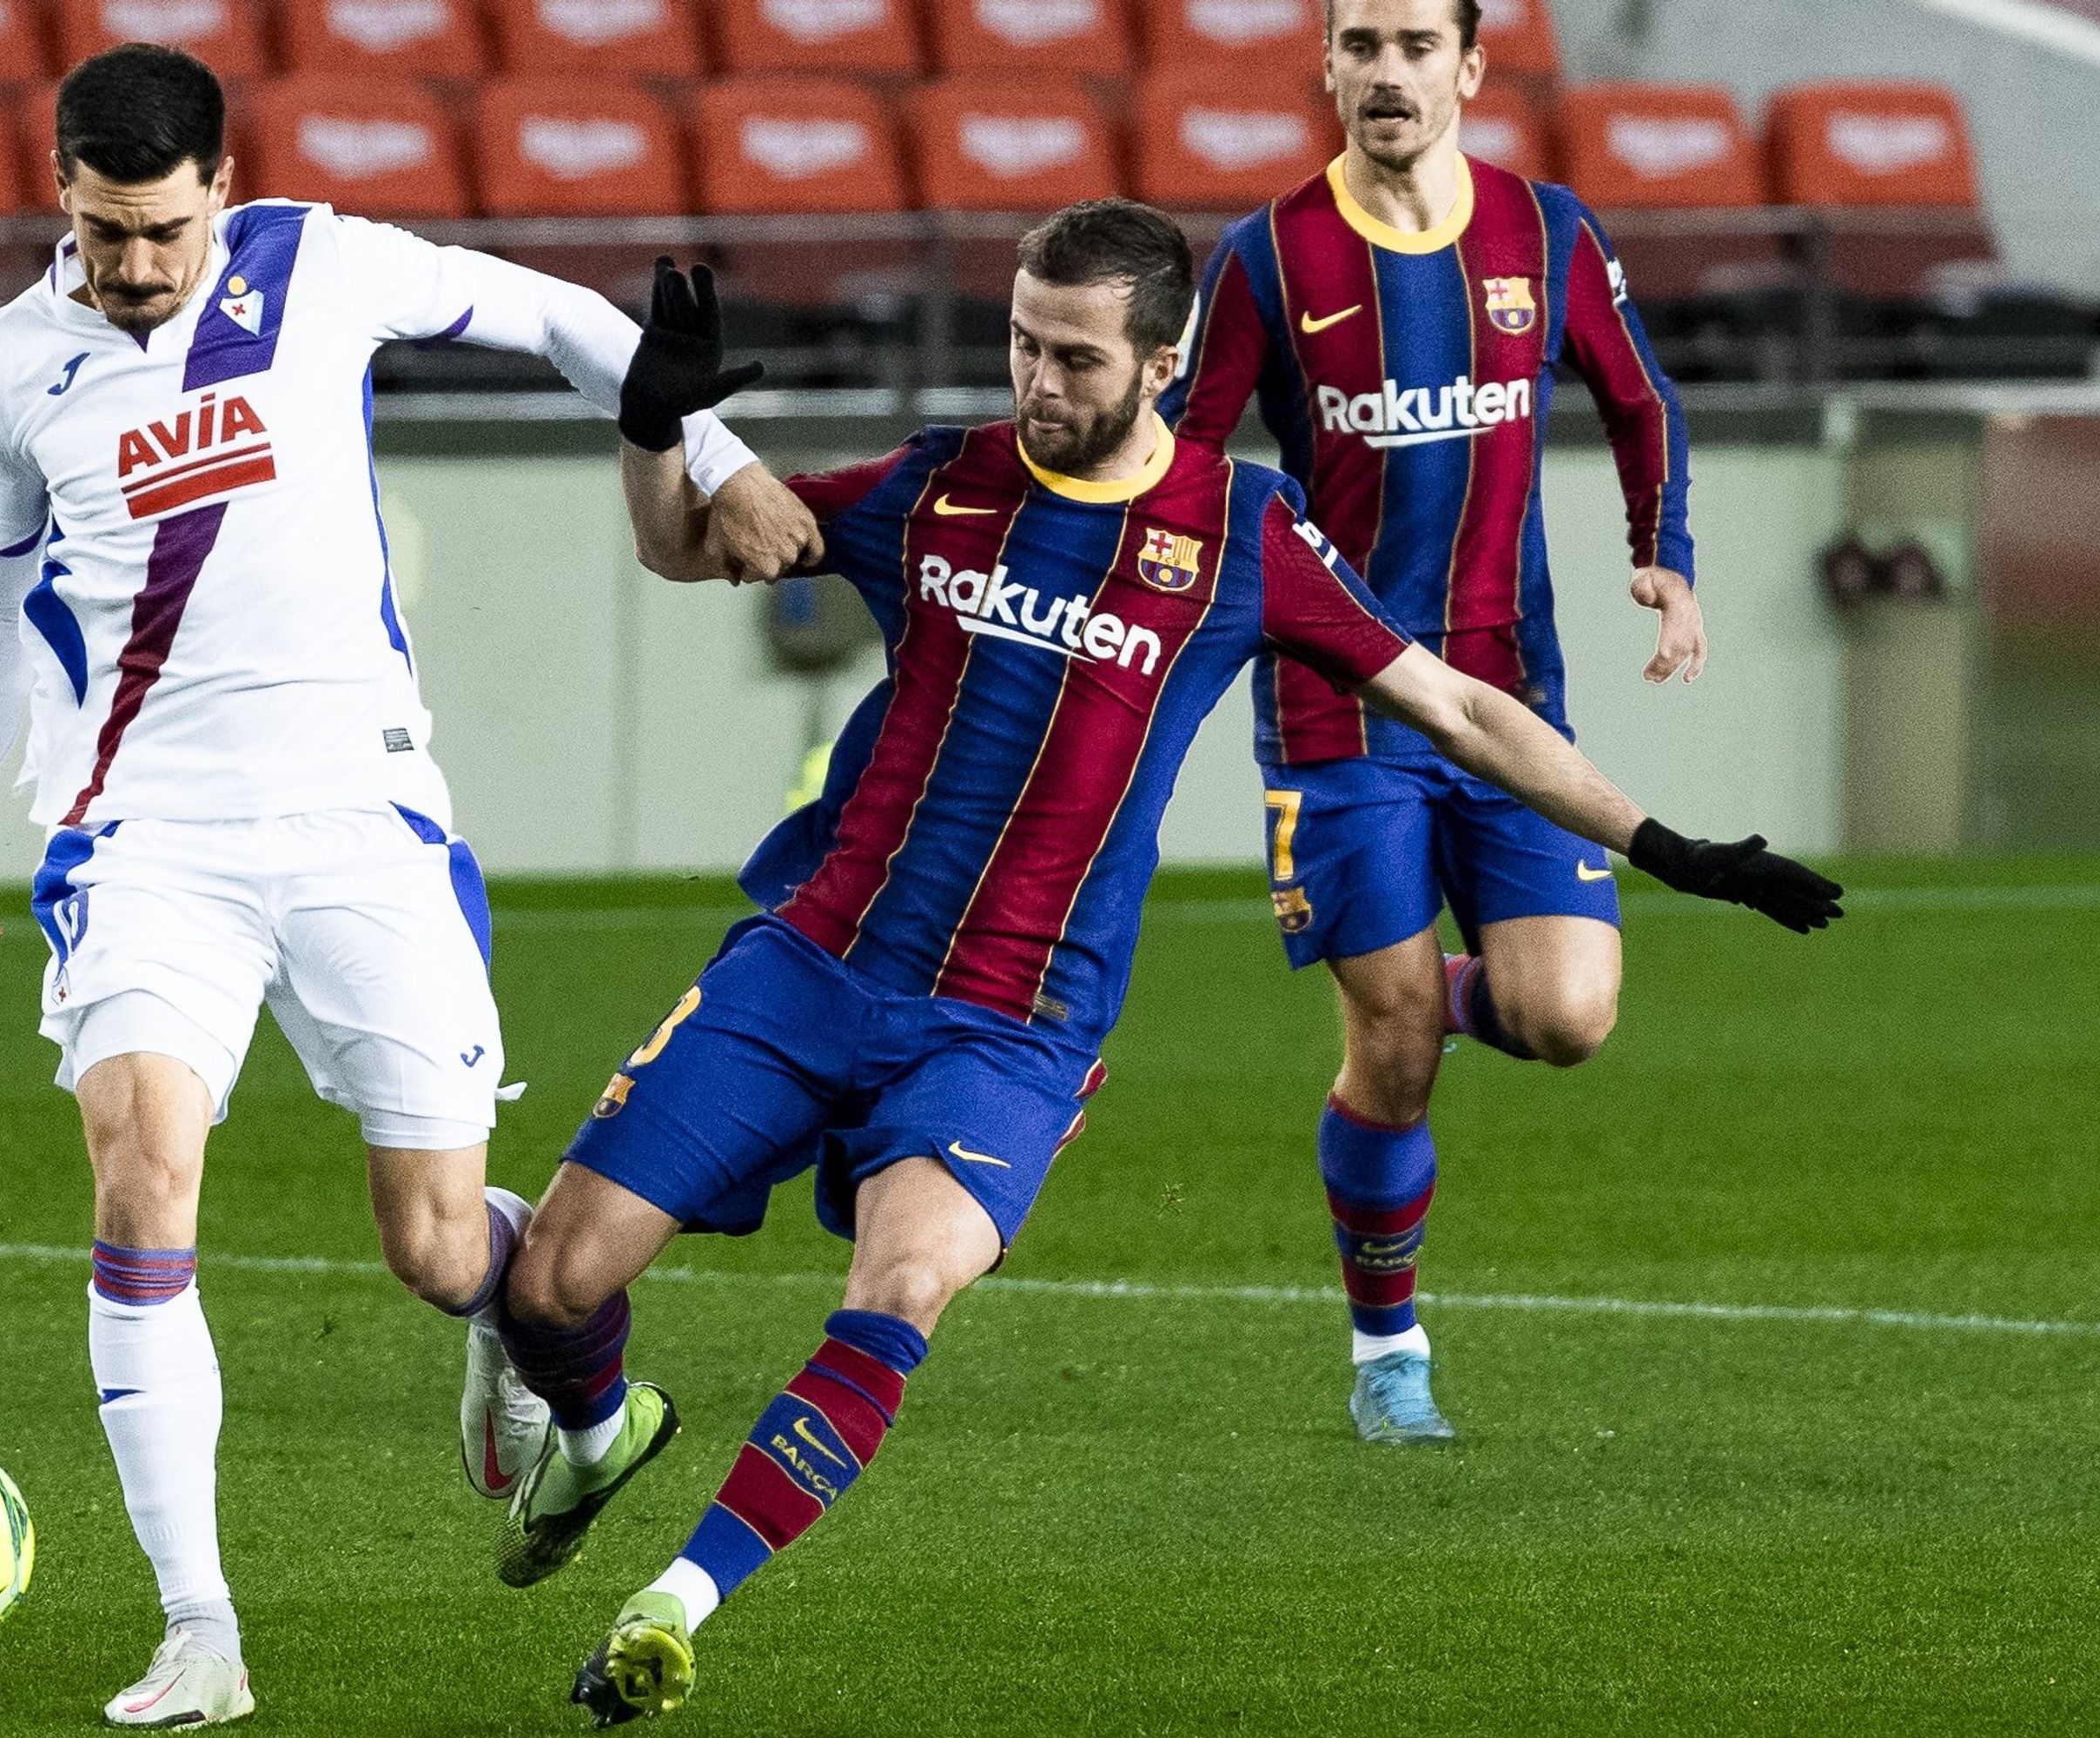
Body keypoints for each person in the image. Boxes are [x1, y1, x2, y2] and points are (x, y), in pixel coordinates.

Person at [491, 209, 1840, 1726]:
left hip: (1015, 1026)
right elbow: (689, 546)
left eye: (1075, 356)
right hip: (815, 963)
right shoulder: (941, 482)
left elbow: (1463, 711)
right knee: (548, 1282)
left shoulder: (1244, 535)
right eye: (1022, 343)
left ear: (1164, 360)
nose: (1039, 382)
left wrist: (1667, 847)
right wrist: (658, 428)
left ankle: (677, 1605)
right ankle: (600, 1436)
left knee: (905, 1284)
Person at [0, 43, 812, 1728]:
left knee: (430, 1239)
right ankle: (200, 1631)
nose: (136, 267)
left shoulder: (318, 268)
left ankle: (581, 1390)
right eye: (106, 231)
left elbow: (551, 312)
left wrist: (715, 447)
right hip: (142, 835)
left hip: (357, 816)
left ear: (221, 198)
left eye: (166, 230)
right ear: (62, 196)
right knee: (140, 1179)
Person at [1159, 0, 1712, 1441]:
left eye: (1416, 45)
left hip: (1511, 695)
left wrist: (1667, 554)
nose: (1387, 72)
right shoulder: (1268, 258)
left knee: (1567, 1018)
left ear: (1470, 69)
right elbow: (1191, 466)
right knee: (1392, 1050)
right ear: (1327, 67)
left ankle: (1429, 984)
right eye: (1362, 45)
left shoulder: (1548, 231)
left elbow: (1642, 397)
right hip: (1337, 706)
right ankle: (1386, 1352)